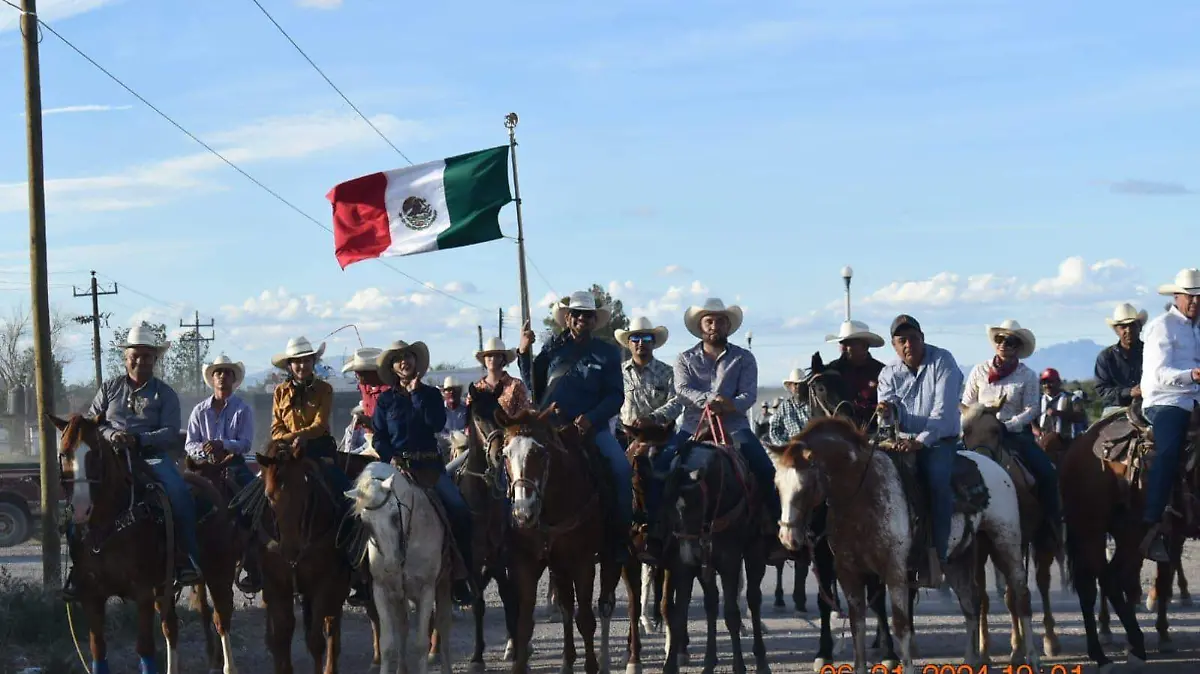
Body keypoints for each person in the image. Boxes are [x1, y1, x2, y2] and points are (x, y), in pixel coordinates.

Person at [643, 297, 787, 565]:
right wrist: (710, 401)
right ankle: (655, 534)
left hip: (734, 426)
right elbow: (683, 390)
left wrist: (730, 404)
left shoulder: (743, 357)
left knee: (766, 469)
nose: (714, 326)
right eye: (709, 321)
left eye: (720, 321)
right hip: (692, 426)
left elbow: (749, 393)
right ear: (700, 326)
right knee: (660, 467)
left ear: (728, 326)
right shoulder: (685, 358)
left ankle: (773, 535)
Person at [67, 323, 200, 599]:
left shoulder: (165, 394)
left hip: (150, 457)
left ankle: (186, 558)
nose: (140, 360)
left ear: (155, 359)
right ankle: (78, 569)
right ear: (126, 358)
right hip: (110, 457)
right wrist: (113, 433)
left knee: (179, 494)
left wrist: (138, 440)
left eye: (147, 356)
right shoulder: (109, 388)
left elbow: (170, 431)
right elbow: (93, 423)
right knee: (78, 502)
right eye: (135, 355)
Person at [517, 290, 632, 563]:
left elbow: (616, 395)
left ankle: (619, 539)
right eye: (576, 314)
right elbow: (533, 382)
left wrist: (591, 417)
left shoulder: (607, 353)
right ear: (567, 319)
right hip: (553, 428)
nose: (582, 319)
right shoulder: (553, 348)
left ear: (595, 321)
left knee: (621, 470)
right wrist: (523, 351)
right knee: (518, 466)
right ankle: (514, 536)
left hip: (591, 429)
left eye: (587, 315)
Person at [371, 340, 476, 604]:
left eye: (408, 357)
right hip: (396, 468)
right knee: (366, 511)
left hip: (429, 468)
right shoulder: (385, 400)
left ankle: (461, 577)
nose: (404, 361)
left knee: (460, 510)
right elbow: (379, 437)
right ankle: (364, 577)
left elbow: (436, 423)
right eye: (398, 359)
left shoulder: (430, 394)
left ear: (416, 362)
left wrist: (417, 394)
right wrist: (390, 457)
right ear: (393, 368)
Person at [875, 314, 964, 587]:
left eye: (913, 338)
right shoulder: (888, 373)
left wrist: (920, 441)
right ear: (894, 344)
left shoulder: (942, 361)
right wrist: (885, 413)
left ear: (922, 338)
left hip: (938, 441)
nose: (908, 344)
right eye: (902, 340)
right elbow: (886, 415)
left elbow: (943, 410)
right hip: (901, 441)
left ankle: (938, 554)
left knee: (937, 483)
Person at [961, 319, 1061, 543]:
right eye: (1000, 339)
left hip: (1014, 435)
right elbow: (967, 404)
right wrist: (972, 423)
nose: (1004, 344)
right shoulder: (979, 371)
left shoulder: (1027, 375)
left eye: (1010, 341)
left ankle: (1051, 526)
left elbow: (1032, 408)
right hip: (980, 434)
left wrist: (1009, 425)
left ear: (1018, 347)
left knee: (1047, 473)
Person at [1138, 269, 1200, 562]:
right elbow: (1157, 374)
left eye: (1199, 297)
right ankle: (1152, 523)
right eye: (1191, 296)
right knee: (1169, 451)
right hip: (1167, 400)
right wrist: (1192, 375)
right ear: (1177, 296)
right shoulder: (1161, 327)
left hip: (1195, 399)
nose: (1196, 302)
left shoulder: (1197, 328)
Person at [185, 353, 259, 591]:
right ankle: (182, 558)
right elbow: (189, 443)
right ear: (212, 378)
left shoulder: (242, 409)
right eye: (218, 372)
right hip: (204, 467)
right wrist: (205, 451)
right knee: (181, 499)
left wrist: (222, 444)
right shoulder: (199, 410)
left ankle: (253, 560)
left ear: (233, 379)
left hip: (233, 465)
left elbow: (246, 442)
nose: (223, 377)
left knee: (256, 500)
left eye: (227, 373)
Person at [614, 316, 683, 520]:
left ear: (653, 342)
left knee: (670, 474)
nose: (640, 343)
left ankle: (663, 523)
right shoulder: (618, 373)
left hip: (659, 437)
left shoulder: (668, 372)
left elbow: (677, 403)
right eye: (635, 338)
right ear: (628, 343)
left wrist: (653, 418)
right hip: (624, 435)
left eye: (645, 337)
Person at [823, 319, 887, 429]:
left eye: (848, 343)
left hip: (876, 433)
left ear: (864, 346)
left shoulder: (882, 372)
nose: (843, 348)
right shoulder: (832, 371)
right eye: (842, 343)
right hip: (840, 433)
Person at [1094, 303, 1148, 414]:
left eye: (1132, 325)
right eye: (1123, 327)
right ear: (1116, 330)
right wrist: (1129, 392)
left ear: (1140, 327)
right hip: (1116, 408)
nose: (1128, 330)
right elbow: (1102, 390)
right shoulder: (1106, 357)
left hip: (1149, 404)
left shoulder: (1152, 352)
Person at [469, 337, 531, 417]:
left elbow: (524, 415)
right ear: (484, 359)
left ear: (504, 359)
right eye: (489, 355)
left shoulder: (516, 385)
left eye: (497, 356)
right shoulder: (476, 388)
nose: (493, 359)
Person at [1036, 368, 1086, 441]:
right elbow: (1031, 419)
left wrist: (1059, 413)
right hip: (1042, 443)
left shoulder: (1072, 398)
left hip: (1066, 443)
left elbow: (1081, 416)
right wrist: (1036, 430)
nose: (1047, 385)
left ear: (1058, 382)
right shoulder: (1038, 400)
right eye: (1044, 383)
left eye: (1050, 382)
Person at [767, 368, 812, 446]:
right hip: (791, 448)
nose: (797, 387)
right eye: (795, 384)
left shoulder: (812, 404)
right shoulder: (784, 406)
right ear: (790, 387)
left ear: (805, 386)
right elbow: (774, 429)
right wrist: (785, 446)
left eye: (800, 384)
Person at [342, 346, 389, 418]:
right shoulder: (363, 387)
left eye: (358, 373)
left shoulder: (389, 391)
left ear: (371, 373)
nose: (356, 375)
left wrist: (366, 420)